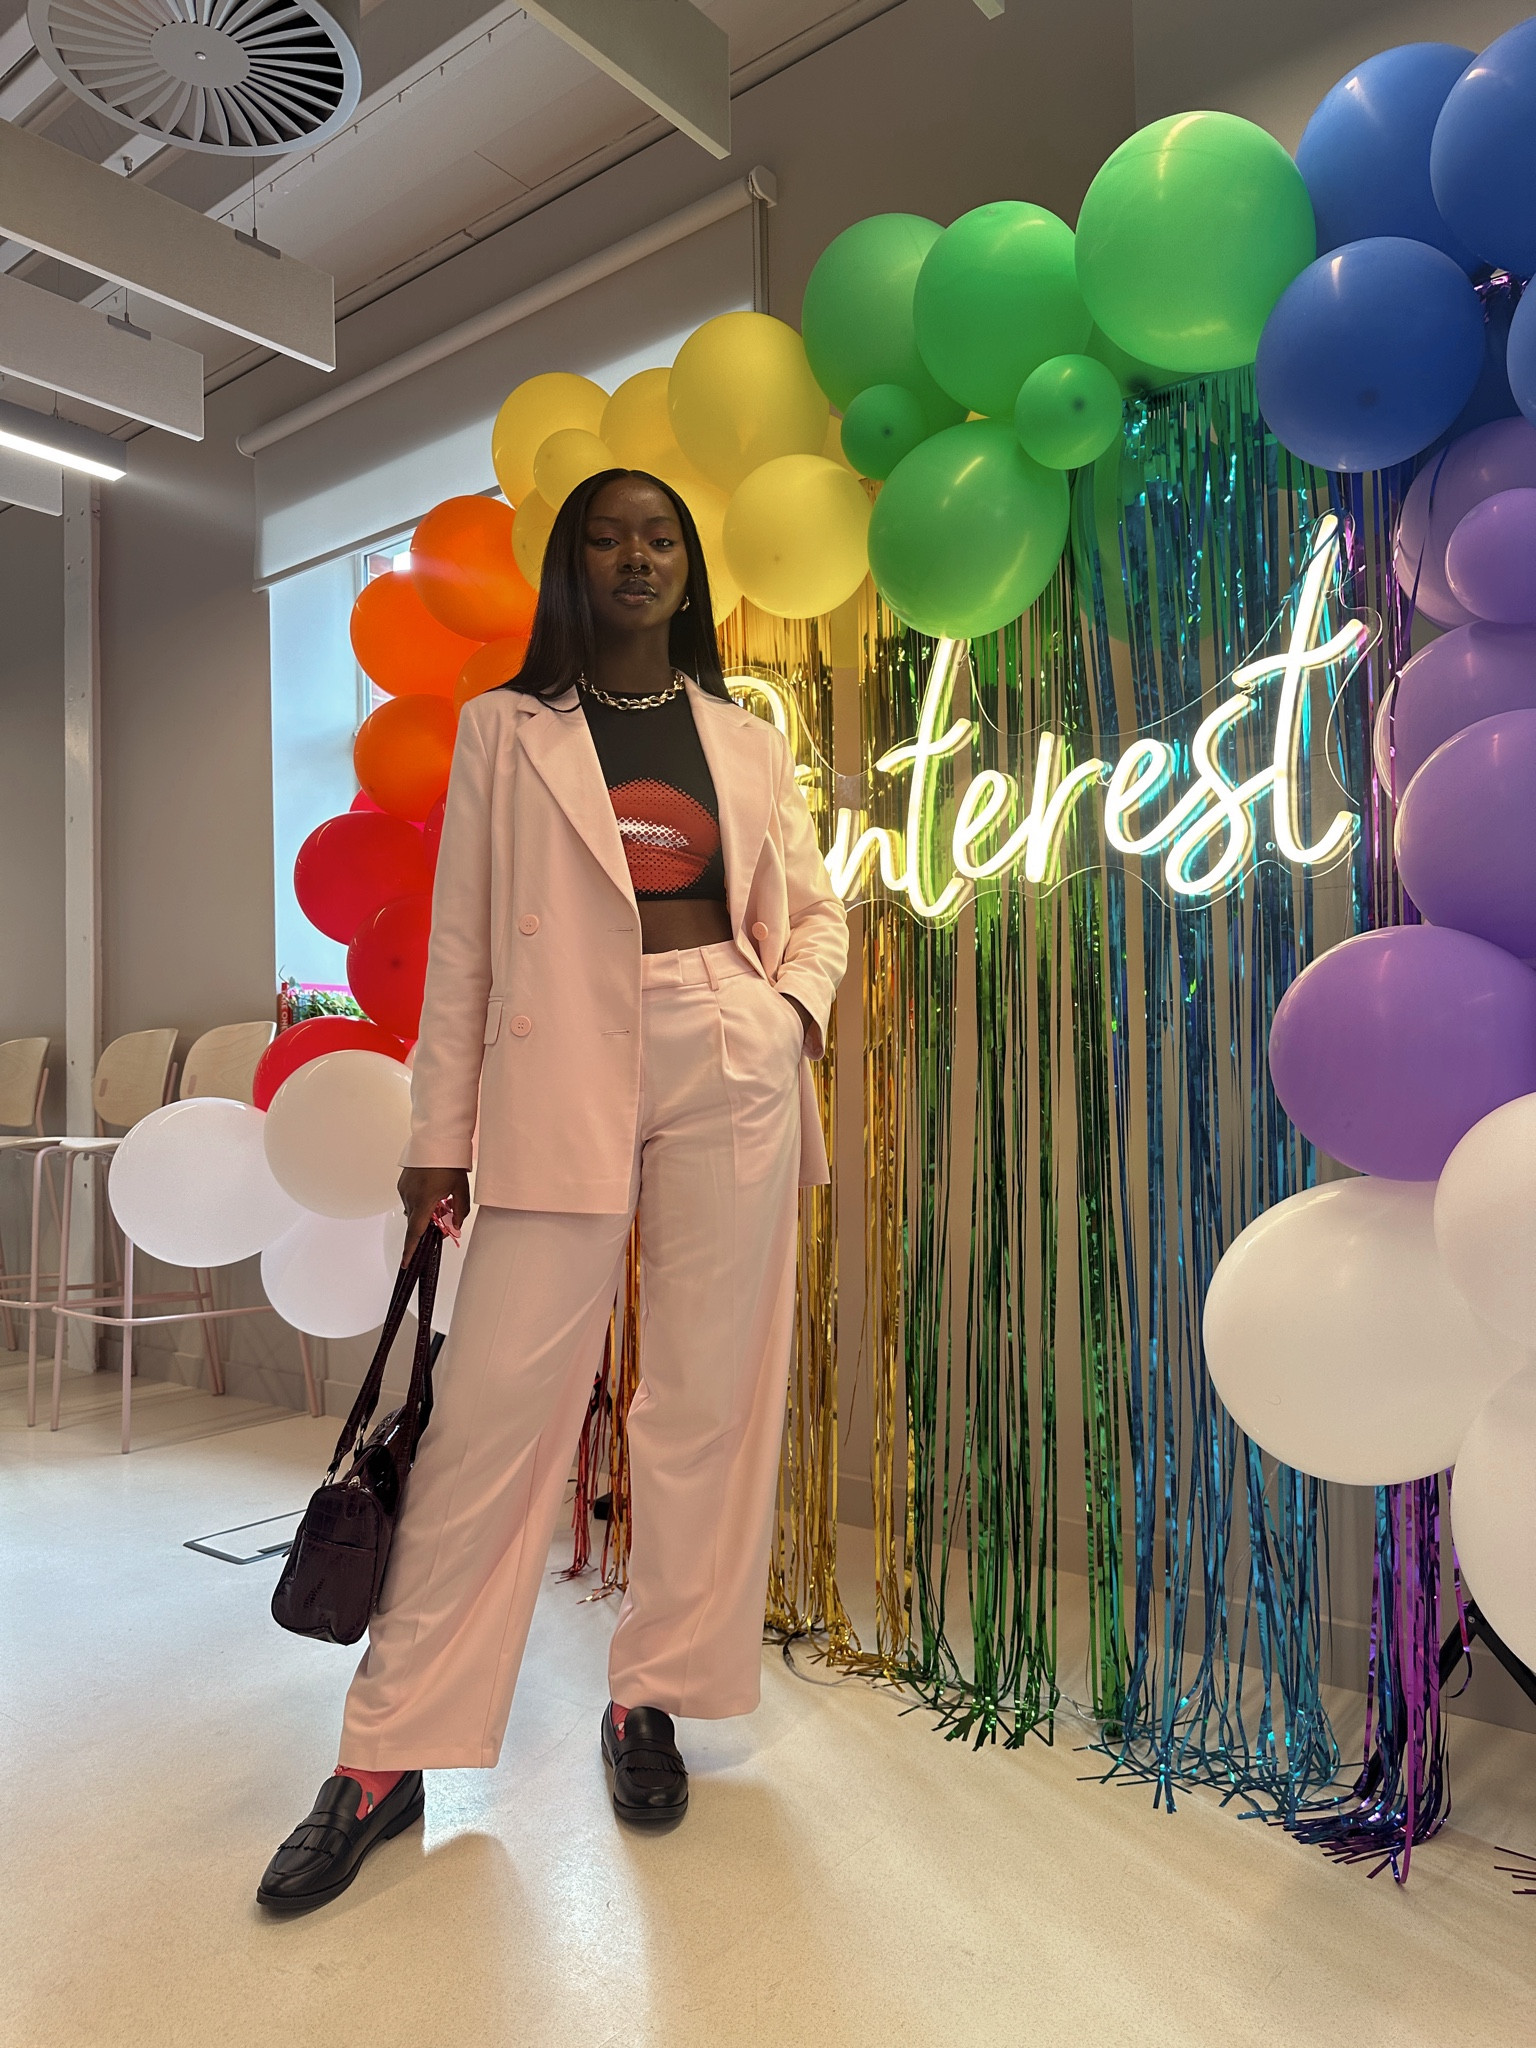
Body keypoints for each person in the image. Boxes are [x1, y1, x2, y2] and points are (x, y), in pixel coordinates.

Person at [258, 469, 848, 1912]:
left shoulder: (743, 737)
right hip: (557, 1064)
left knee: (708, 1399)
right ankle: (384, 1755)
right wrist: (438, 1132)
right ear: (572, 566)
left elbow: (816, 911)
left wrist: (786, 1014)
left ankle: (652, 1695)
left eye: (662, 538)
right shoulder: (504, 730)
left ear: (686, 570)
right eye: (607, 536)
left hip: (727, 1042)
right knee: (489, 1416)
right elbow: (462, 944)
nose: (637, 556)